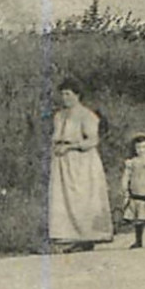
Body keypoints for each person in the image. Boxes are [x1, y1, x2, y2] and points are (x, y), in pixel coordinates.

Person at [48, 78, 112, 252]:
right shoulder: (59, 116)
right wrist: (57, 147)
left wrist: (70, 146)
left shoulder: (86, 115)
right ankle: (68, 236)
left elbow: (92, 140)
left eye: (68, 94)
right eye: (62, 94)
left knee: (82, 197)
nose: (65, 98)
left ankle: (87, 237)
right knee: (64, 198)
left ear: (77, 95)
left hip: (81, 161)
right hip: (62, 161)